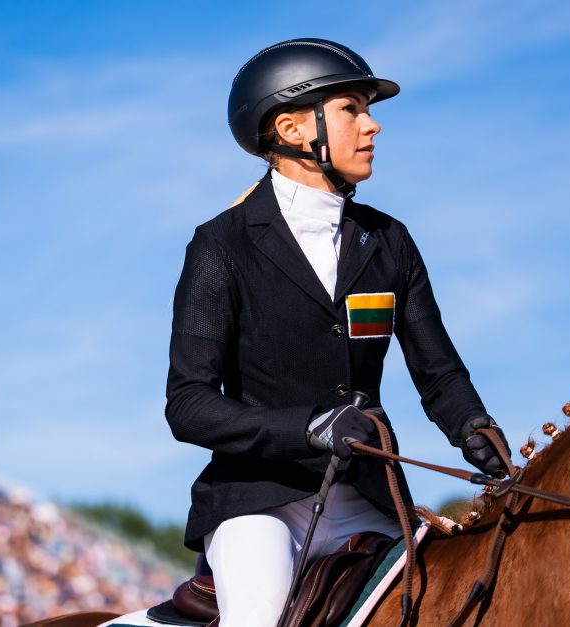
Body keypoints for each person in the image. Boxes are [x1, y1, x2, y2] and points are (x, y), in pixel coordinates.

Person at [165, 38, 509, 627]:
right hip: (261, 505)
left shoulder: (390, 240)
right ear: (293, 128)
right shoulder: (221, 246)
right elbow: (188, 405)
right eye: (352, 109)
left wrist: (475, 427)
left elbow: (439, 372)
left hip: (371, 498)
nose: (373, 126)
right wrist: (308, 426)